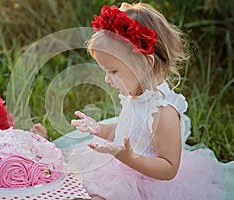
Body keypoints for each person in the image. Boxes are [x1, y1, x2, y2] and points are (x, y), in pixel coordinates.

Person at [69, 2, 225, 200]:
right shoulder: (136, 94)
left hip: (149, 182)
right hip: (123, 168)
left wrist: (129, 158)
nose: (107, 80)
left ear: (145, 64)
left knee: (114, 194)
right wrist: (99, 129)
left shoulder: (164, 111)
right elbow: (128, 131)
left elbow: (169, 168)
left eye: (113, 71)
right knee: (80, 166)